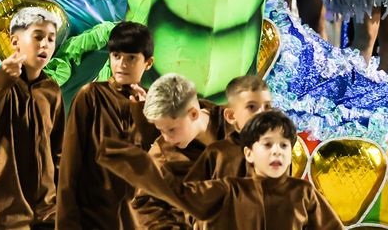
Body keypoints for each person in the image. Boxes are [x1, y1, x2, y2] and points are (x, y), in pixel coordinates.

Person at [99, 110, 345, 230]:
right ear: (248, 153)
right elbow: (174, 191)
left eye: (284, 146)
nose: (277, 152)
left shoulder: (302, 194)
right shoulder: (227, 192)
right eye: (267, 145)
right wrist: (124, 157)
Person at [0, 5, 65, 230]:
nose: (45, 45)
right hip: (4, 214)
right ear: (15, 42)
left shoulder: (51, 91)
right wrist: (2, 81)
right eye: (37, 37)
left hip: (47, 213)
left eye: (51, 39)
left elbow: (57, 150)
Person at [55, 21, 152, 230]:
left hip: (132, 218)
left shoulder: (152, 107)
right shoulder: (91, 95)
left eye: (131, 58)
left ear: (148, 63)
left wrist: (142, 115)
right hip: (91, 214)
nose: (122, 64)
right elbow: (71, 163)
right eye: (116, 56)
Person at [128, 73, 220, 230]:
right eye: (161, 130)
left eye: (171, 129)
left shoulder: (240, 124)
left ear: (193, 114)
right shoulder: (162, 155)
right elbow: (142, 208)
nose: (167, 138)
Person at [199, 74, 272, 178]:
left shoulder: (281, 147)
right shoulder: (218, 154)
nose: (263, 114)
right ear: (231, 116)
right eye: (251, 107)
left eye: (267, 106)